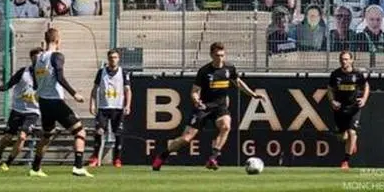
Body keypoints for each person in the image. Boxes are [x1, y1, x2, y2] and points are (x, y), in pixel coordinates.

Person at [152, 42, 261, 171]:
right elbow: (194, 91)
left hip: (220, 106)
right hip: (203, 107)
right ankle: (163, 155)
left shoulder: (229, 68)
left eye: (222, 55)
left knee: (226, 126)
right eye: (217, 55)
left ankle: (213, 158)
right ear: (211, 55)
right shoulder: (204, 71)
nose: (220, 58)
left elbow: (238, 82)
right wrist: (197, 101)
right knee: (186, 139)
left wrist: (253, 94)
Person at [29, 28, 94, 178]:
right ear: (58, 41)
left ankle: (35, 168)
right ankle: (78, 167)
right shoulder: (57, 56)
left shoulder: (38, 59)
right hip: (55, 101)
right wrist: (74, 93)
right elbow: (59, 77)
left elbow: (35, 81)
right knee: (80, 132)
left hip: (44, 103)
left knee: (47, 135)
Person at [0, 47, 41, 170]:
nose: (38, 59)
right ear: (32, 58)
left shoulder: (44, 74)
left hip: (33, 112)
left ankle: (8, 163)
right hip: (18, 109)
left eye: (40, 57)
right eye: (36, 57)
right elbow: (9, 84)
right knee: (7, 138)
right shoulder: (23, 72)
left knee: (22, 136)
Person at [87, 49, 131, 167]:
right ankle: (95, 157)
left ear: (119, 59)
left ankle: (117, 159)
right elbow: (95, 88)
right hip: (103, 107)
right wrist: (92, 104)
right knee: (99, 131)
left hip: (118, 107)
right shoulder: (101, 72)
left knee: (118, 134)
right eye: (111, 57)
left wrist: (127, 105)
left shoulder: (123, 73)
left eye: (115, 57)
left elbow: (127, 90)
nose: (113, 60)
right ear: (108, 59)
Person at [328, 51, 370, 170]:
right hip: (340, 108)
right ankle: (352, 141)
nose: (344, 61)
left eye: (346, 59)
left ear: (351, 60)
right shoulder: (335, 74)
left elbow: (366, 86)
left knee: (352, 132)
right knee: (342, 137)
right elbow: (330, 88)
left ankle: (346, 161)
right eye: (342, 59)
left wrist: (364, 99)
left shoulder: (357, 74)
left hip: (354, 107)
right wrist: (332, 101)